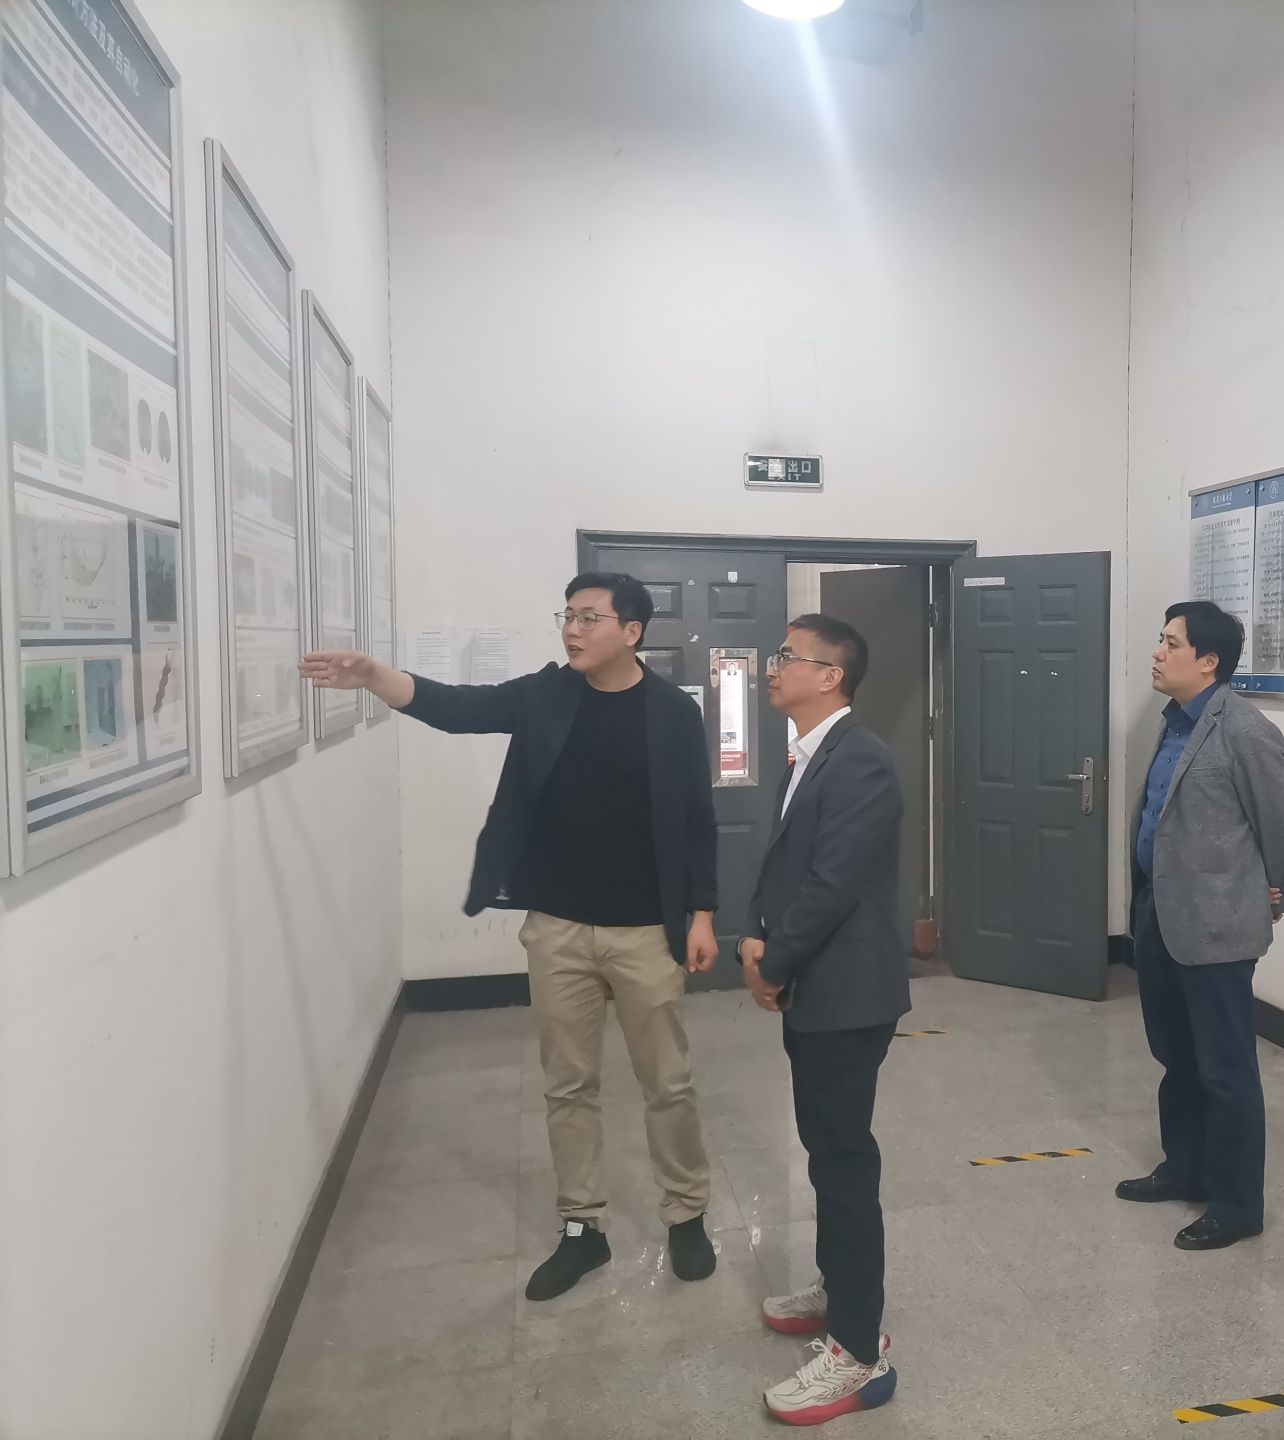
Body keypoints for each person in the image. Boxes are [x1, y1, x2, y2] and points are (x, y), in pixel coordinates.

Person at [300, 573, 722, 1300]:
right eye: (568, 616)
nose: (573, 630)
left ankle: (686, 1214)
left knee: (668, 1083)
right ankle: (582, 1228)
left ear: (632, 632)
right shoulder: (546, 695)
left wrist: (704, 914)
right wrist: (374, 676)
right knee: (568, 1085)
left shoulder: (672, 713)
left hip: (646, 931)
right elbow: (457, 708)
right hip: (557, 927)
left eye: (589, 618)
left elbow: (696, 818)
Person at [738, 614, 909, 1427]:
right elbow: (787, 864)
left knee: (843, 1164)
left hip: (847, 994)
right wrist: (756, 934)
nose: (772, 668)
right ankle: (840, 1289)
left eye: (787, 657)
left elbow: (833, 885)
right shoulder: (812, 753)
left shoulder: (862, 760)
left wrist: (771, 964)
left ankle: (859, 1354)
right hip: (819, 987)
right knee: (826, 1151)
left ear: (830, 675)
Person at [1116, 601, 1284, 1251]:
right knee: (1177, 1056)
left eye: (1171, 643)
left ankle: (1237, 1204)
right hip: (1158, 914)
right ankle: (1186, 1167)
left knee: (1225, 1070)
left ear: (1209, 661)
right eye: (1160, 640)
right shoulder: (1173, 723)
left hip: (1217, 924)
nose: (1158, 652)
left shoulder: (1245, 729)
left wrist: (1275, 889)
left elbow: (1283, 823)